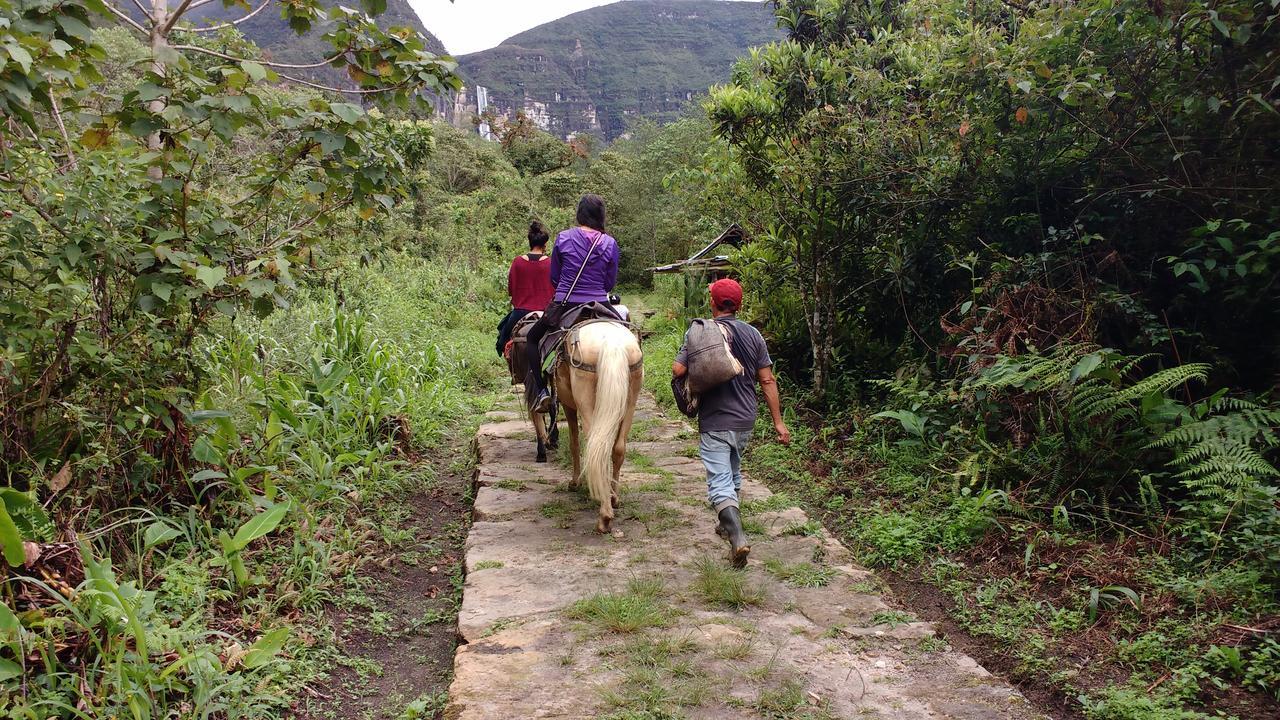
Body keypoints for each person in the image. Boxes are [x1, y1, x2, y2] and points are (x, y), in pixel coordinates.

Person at [672, 278, 790, 568]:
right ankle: (726, 526)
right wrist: (778, 423)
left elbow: (678, 369)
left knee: (720, 480)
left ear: (712, 304)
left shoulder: (699, 331)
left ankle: (737, 538)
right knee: (733, 471)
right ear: (739, 305)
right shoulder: (754, 335)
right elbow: (767, 379)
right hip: (745, 418)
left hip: (715, 419)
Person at [525, 194, 621, 411]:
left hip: (566, 304)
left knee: (532, 338)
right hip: (600, 302)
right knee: (628, 330)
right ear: (601, 216)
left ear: (580, 214)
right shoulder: (610, 243)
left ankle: (541, 391)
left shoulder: (564, 237)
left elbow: (555, 278)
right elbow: (609, 283)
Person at [496, 222, 555, 357]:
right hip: (545, 313)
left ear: (530, 242)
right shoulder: (551, 263)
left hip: (520, 313)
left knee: (502, 338)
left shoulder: (517, 262)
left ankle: (506, 355)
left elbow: (511, 289)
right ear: (544, 245)